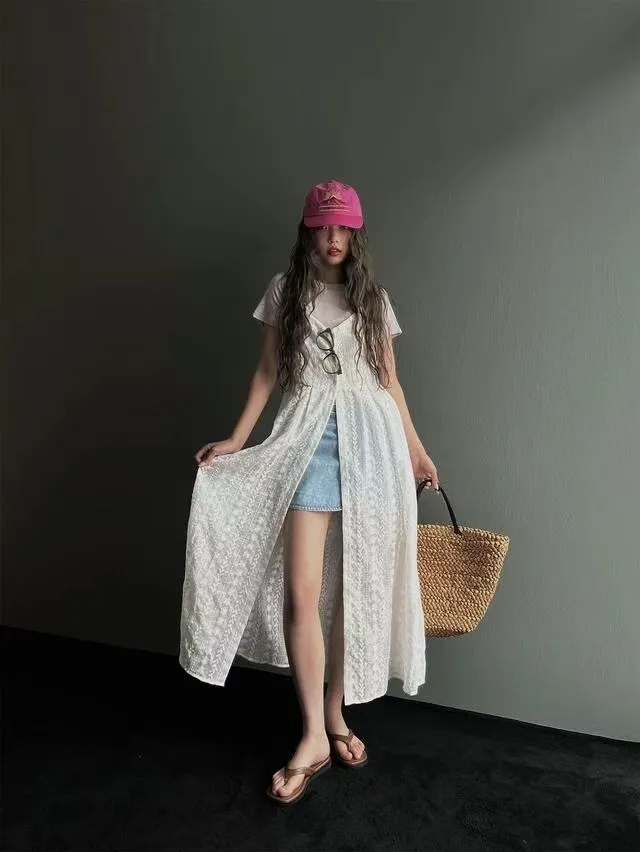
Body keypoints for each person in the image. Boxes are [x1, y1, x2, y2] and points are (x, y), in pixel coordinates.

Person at [178, 180, 439, 806]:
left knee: (354, 592)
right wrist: (238, 439)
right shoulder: (285, 291)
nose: (333, 238)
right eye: (324, 227)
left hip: (372, 448)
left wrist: (417, 452)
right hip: (306, 444)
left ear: (357, 234)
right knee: (301, 593)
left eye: (344, 227)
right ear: (308, 231)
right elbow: (268, 372)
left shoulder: (373, 299)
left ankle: (335, 716)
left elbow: (390, 383)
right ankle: (314, 734)